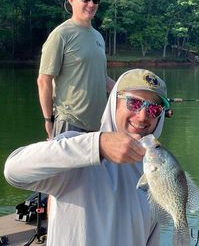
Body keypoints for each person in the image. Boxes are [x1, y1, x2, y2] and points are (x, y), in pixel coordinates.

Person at [4, 68, 171, 246]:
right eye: (134, 103)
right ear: (114, 102)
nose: (143, 115)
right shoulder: (76, 150)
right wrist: (97, 145)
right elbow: (13, 170)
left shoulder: (158, 172)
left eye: (154, 109)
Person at [37, 0, 115, 139]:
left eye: (96, 0)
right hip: (69, 123)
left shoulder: (98, 37)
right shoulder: (61, 35)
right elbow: (44, 80)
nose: (91, 4)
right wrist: (48, 120)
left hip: (98, 125)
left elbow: (103, 78)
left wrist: (129, 91)